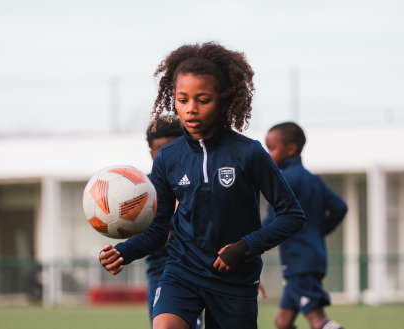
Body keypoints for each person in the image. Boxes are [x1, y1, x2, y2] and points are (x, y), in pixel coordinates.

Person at [100, 42, 306, 329]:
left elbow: (292, 215)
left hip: (235, 279)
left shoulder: (249, 153)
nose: (191, 109)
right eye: (183, 100)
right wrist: (125, 251)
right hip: (183, 271)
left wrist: (246, 247)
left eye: (203, 100)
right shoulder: (168, 158)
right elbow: (159, 230)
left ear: (222, 100)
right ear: (173, 98)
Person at [263, 122, 347, 329]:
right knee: (283, 322)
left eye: (271, 148)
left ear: (291, 149)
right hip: (311, 257)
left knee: (318, 320)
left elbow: (272, 220)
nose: (267, 154)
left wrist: (248, 245)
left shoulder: (283, 180)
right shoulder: (313, 180)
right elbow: (340, 207)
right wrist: (317, 232)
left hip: (299, 262)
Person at [145, 117, 203, 329]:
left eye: (173, 147)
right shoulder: (140, 190)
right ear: (151, 153)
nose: (166, 155)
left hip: (203, 269)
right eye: (160, 149)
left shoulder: (202, 180)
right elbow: (141, 235)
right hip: (161, 274)